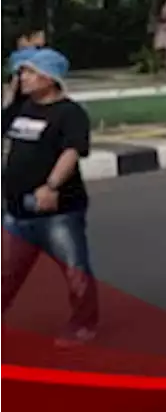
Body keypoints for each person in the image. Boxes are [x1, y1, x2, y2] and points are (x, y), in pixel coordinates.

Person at [0, 48, 98, 348]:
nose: (23, 78)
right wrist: (11, 97)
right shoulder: (20, 108)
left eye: (29, 72)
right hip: (17, 210)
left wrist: (51, 186)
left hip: (58, 212)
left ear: (49, 77)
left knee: (74, 269)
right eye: (21, 73)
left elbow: (72, 151)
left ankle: (83, 324)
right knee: (7, 271)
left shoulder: (69, 113)